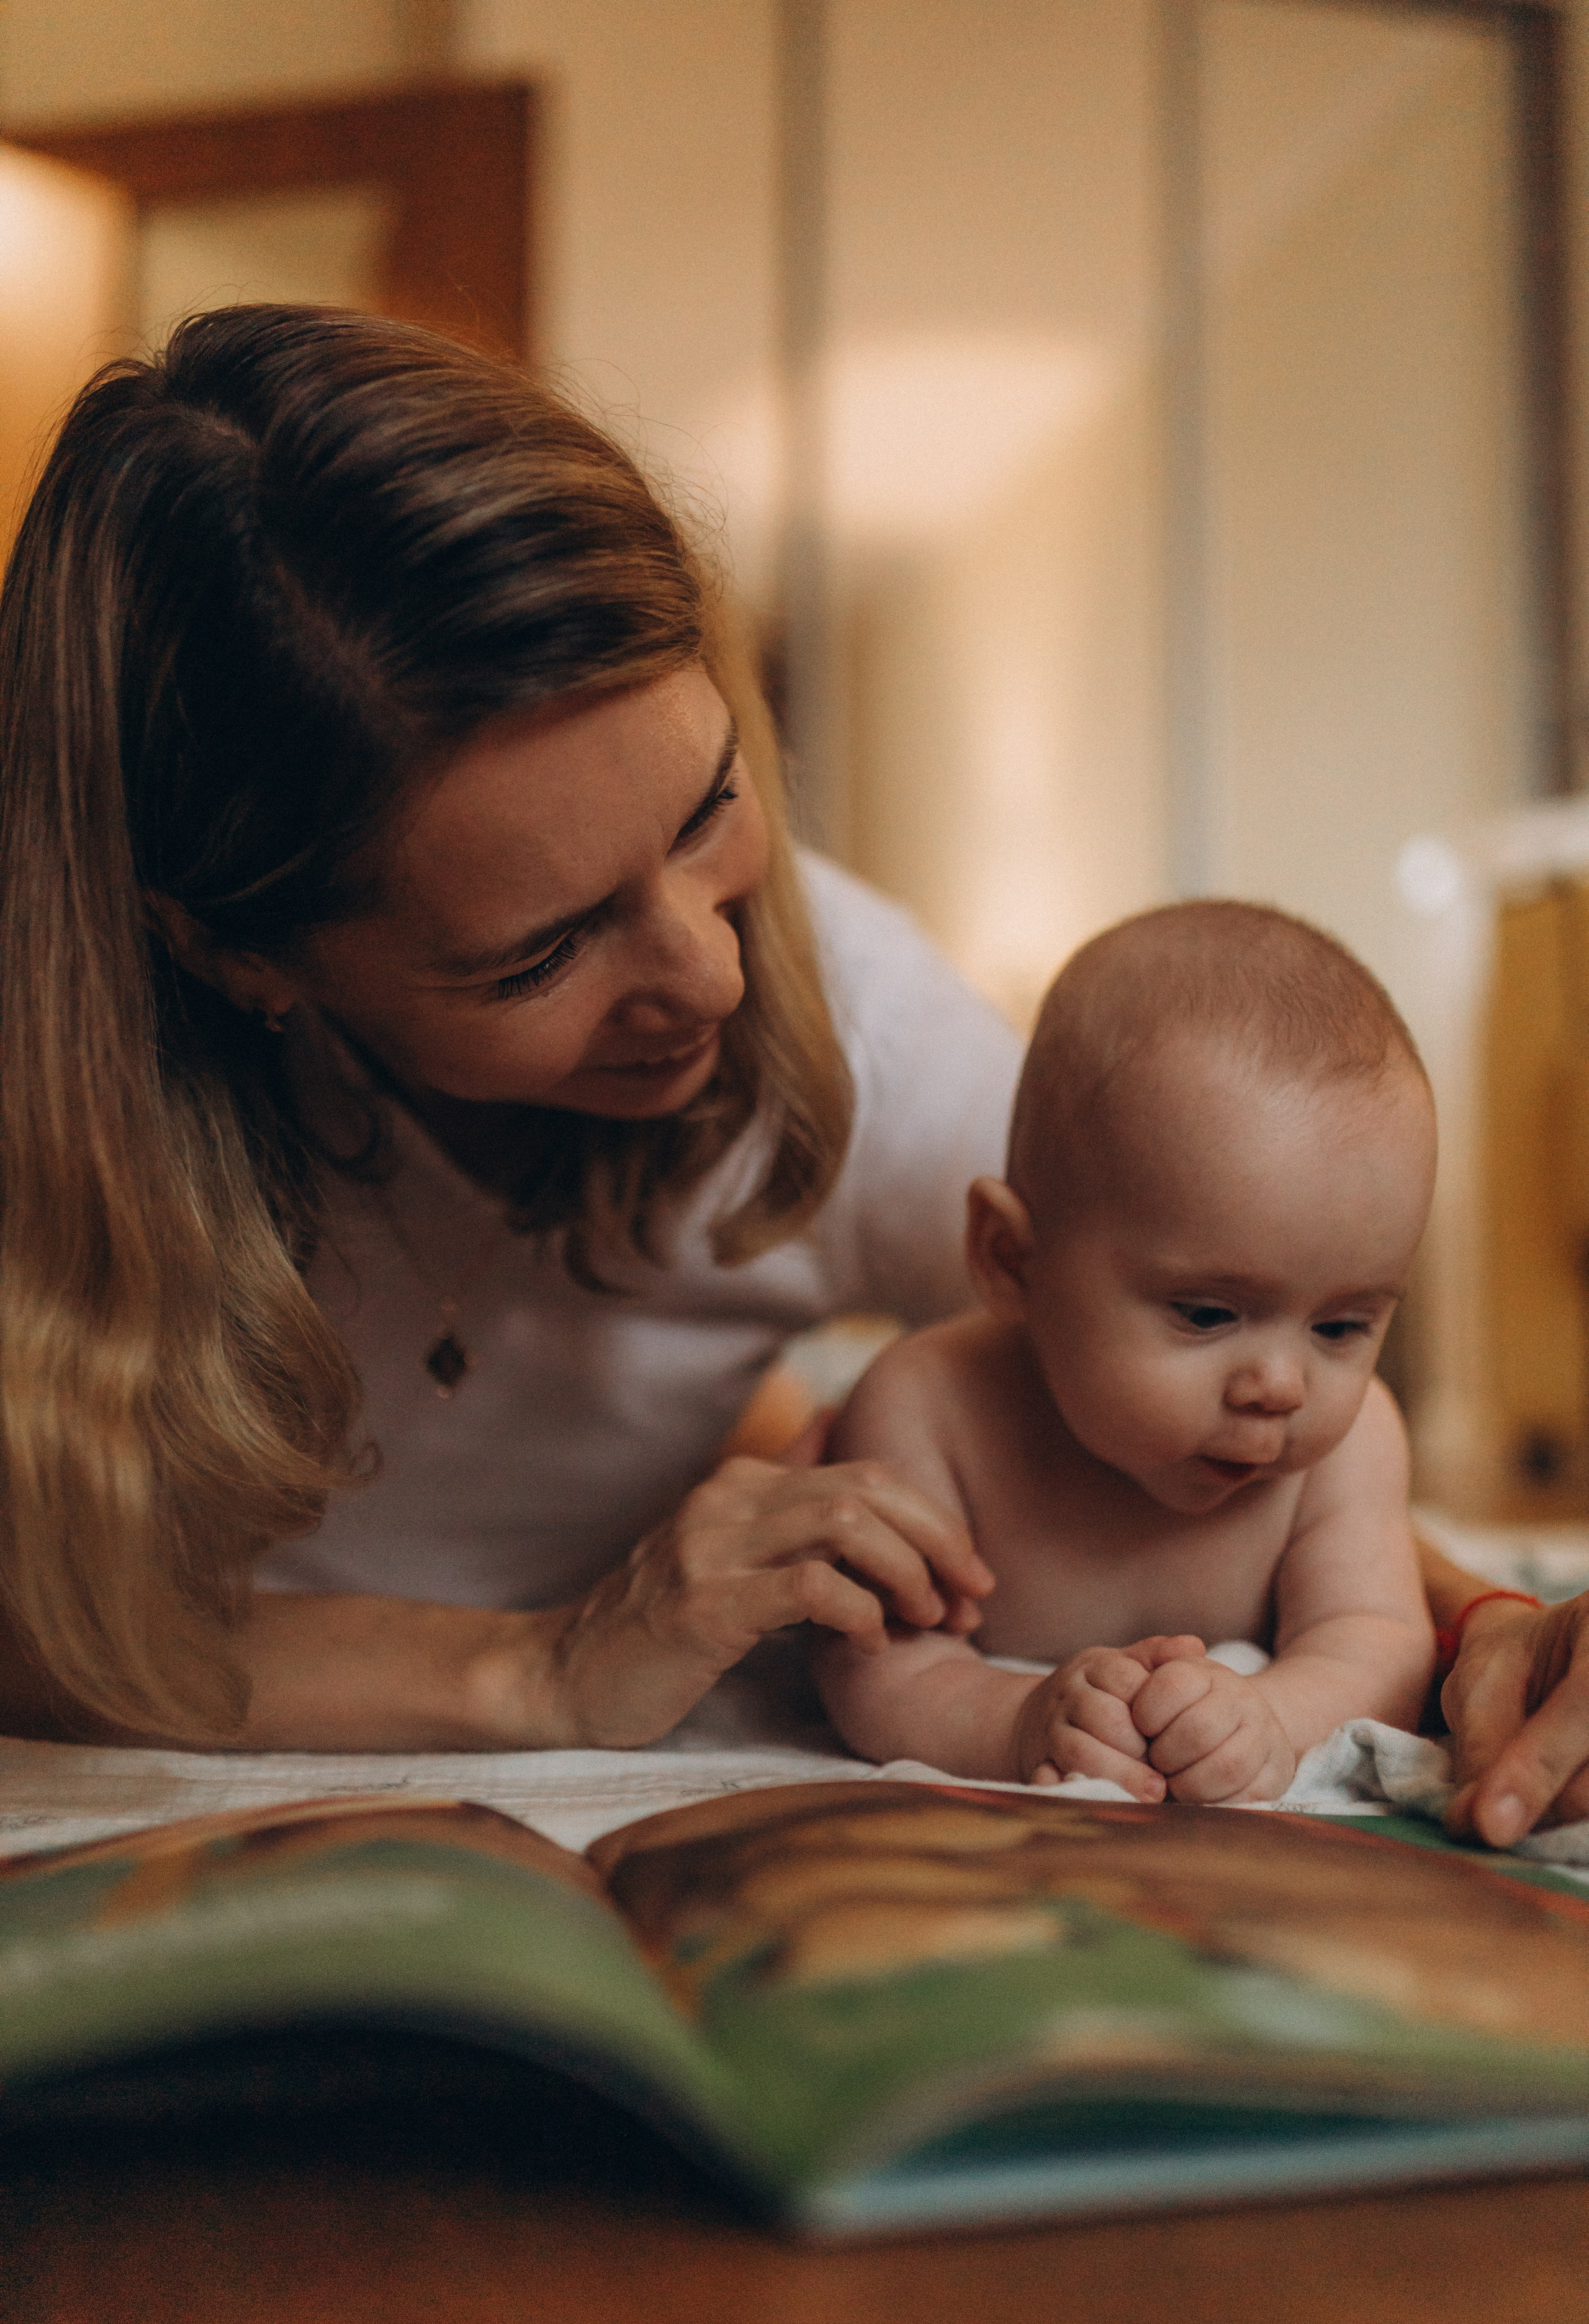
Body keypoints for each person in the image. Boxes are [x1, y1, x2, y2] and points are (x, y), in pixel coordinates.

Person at [0, 305, 1585, 1847]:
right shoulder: (58, 1115)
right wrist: (542, 1666)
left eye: (705, 810)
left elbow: (1230, 1370)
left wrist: (1496, 1627)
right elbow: (45, 1630)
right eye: (540, 951)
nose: (713, 973)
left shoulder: (864, 1026)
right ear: (235, 959)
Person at [814, 903, 1438, 1797]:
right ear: (1011, 1259)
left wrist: (1274, 1720)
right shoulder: (927, 1409)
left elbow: (1375, 1642)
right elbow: (875, 1669)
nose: (1279, 1384)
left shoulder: (1353, 1446)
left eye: (1342, 1327)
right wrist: (1015, 1722)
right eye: (1208, 1314)